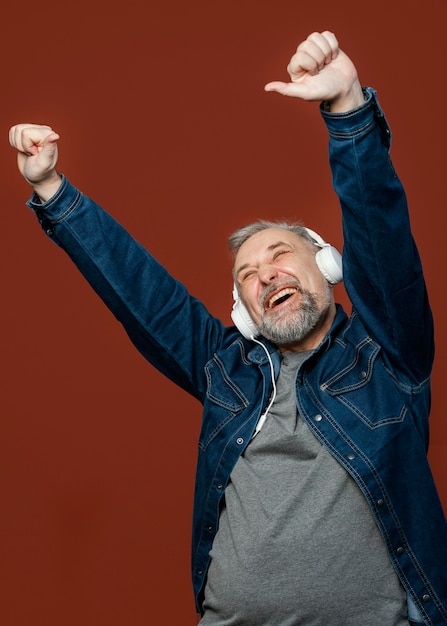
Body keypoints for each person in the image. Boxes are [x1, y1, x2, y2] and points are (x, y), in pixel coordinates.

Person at [9, 30, 447, 626]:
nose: (265, 276)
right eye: (247, 274)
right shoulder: (225, 369)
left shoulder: (387, 358)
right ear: (242, 308)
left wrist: (347, 110)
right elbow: (145, 297)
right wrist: (52, 191)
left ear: (326, 265)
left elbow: (381, 239)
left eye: (279, 256)